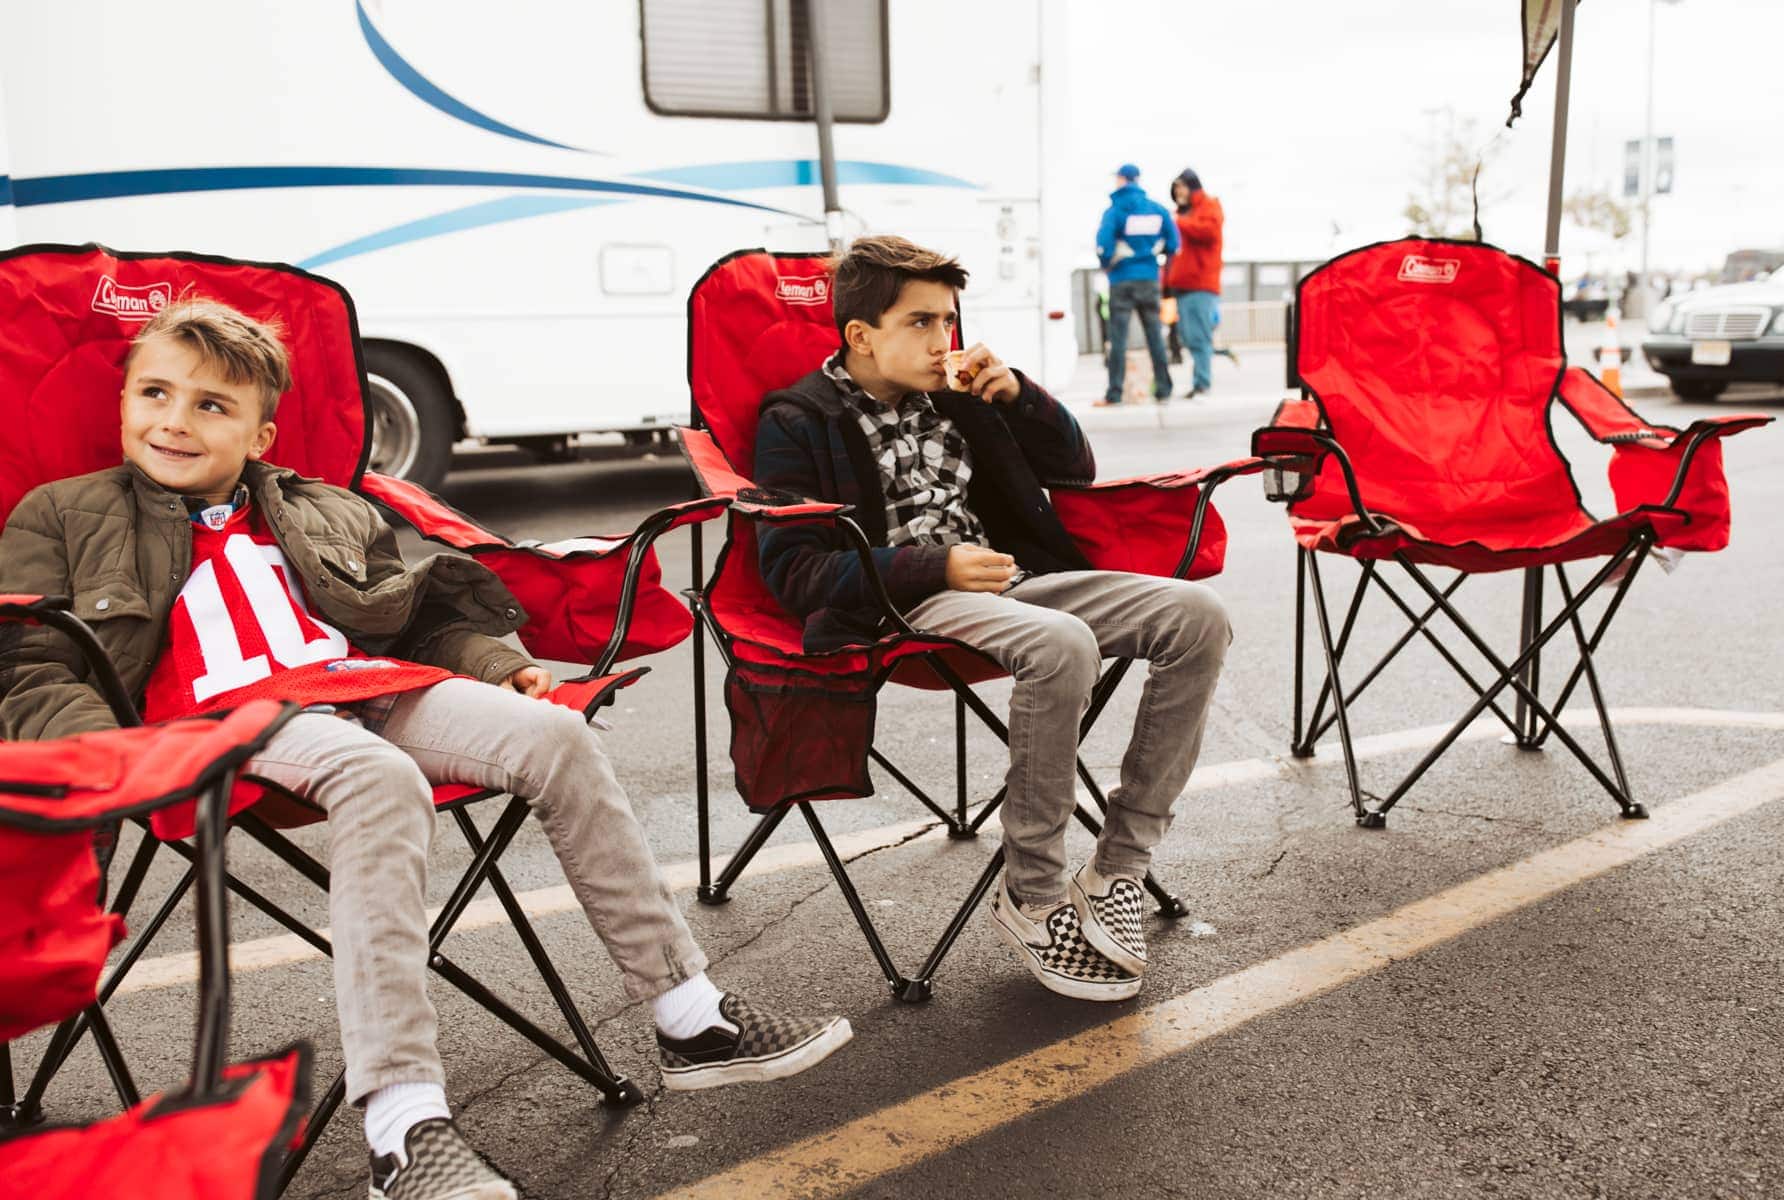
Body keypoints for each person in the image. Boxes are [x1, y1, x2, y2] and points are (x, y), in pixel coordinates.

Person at [0, 301, 851, 1200]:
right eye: (154, 394)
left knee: (557, 735)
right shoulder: (64, 512)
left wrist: (498, 665)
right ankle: (403, 1127)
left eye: (211, 405)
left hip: (362, 685)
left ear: (261, 434)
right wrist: (106, 755)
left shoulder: (322, 508)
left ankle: (690, 1017)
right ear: (125, 402)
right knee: (378, 777)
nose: (174, 420)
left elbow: (407, 619)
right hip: (218, 723)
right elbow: (28, 666)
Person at [753, 236, 1232, 1003]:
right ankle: (1032, 893)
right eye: (920, 322)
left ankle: (1119, 867)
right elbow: (794, 573)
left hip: (1016, 580)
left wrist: (1020, 397)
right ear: (861, 335)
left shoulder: (957, 396)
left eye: (947, 319)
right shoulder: (797, 420)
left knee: (1198, 615)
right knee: (1063, 644)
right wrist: (932, 567)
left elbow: (1075, 470)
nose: (942, 339)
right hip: (906, 602)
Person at [1095, 164, 1180, 405]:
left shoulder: (1114, 211)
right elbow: (1174, 243)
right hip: (1149, 279)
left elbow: (1103, 245)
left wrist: (1107, 263)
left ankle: (1114, 392)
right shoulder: (1157, 210)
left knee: (1118, 339)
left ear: (1123, 179)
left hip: (1121, 280)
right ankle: (1164, 389)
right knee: (1155, 336)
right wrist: (1152, 256)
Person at [1166, 168, 1225, 398]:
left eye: (1181, 187)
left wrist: (1180, 222)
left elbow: (1210, 232)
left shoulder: (1209, 206)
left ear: (1192, 187)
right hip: (1182, 285)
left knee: (1199, 337)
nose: (1178, 193)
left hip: (1201, 284)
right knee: (1189, 337)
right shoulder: (1182, 214)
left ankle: (1202, 383)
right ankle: (1199, 382)